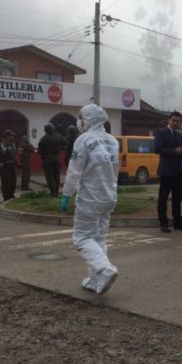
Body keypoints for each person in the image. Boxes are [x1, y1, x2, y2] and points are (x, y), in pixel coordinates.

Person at [60, 104, 121, 295]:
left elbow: (74, 171)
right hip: (109, 196)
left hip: (90, 198)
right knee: (98, 237)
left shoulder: (83, 140)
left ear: (89, 119)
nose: (79, 122)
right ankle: (95, 279)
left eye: (81, 118)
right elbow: (114, 171)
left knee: (82, 237)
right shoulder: (112, 141)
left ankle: (105, 269)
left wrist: (66, 194)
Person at [154, 111, 182, 233]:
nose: (176, 123)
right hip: (166, 170)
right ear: (169, 120)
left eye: (178, 121)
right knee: (163, 198)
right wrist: (173, 151)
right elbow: (157, 149)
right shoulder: (161, 133)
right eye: (174, 120)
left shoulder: (180, 134)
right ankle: (164, 223)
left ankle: (178, 222)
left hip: (178, 171)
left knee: (178, 198)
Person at [38, 123, 66, 196]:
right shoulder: (58, 137)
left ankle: (52, 191)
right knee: (57, 175)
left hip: (48, 158)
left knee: (49, 175)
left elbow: (39, 151)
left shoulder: (44, 138)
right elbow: (65, 142)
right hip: (57, 158)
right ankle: (56, 191)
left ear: (45, 130)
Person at [0, 130, 18, 201]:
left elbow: (14, 154)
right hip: (5, 166)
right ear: (7, 136)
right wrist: (7, 146)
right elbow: (2, 153)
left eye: (13, 136)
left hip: (12, 165)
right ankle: (6, 196)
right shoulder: (2, 144)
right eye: (11, 136)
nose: (12, 137)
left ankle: (11, 194)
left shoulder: (12, 144)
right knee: (6, 182)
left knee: (13, 181)